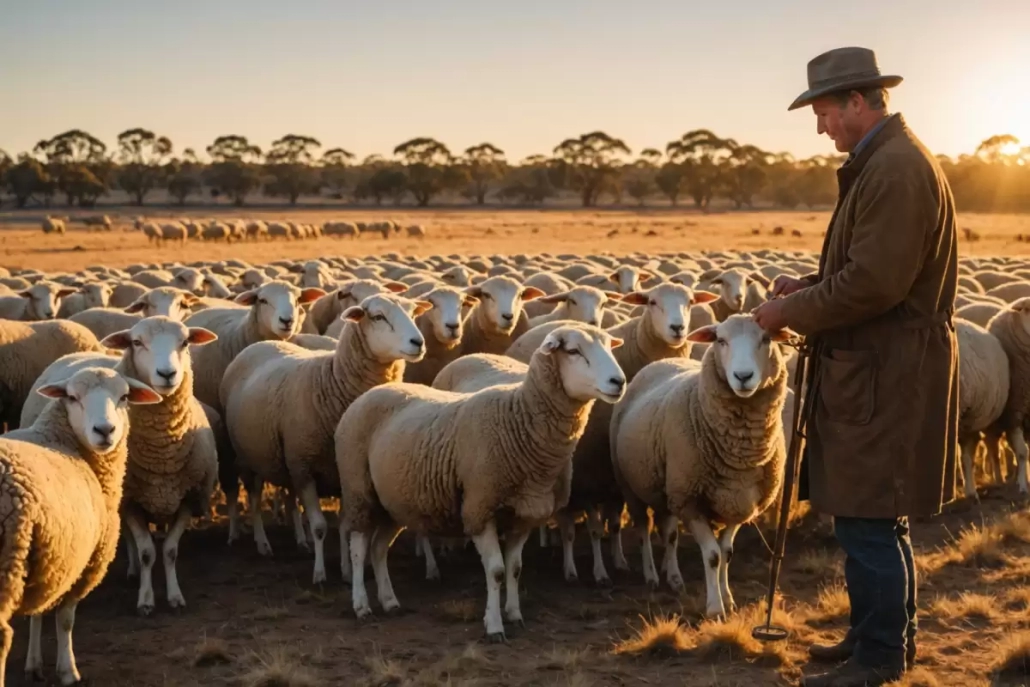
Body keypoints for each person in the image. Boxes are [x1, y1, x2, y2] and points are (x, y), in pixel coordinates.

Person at [753, 46, 959, 687]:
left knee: (869, 518)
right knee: (874, 515)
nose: (821, 129)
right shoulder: (884, 162)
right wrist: (810, 282)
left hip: (889, 369)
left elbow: (875, 284)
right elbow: (868, 268)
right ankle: (881, 638)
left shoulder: (895, 170)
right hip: (878, 363)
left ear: (858, 103)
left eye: (824, 114)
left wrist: (786, 314)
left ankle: (879, 659)